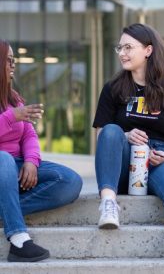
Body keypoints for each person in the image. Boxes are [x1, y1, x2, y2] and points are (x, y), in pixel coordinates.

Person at [93, 23, 164, 259]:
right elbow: (102, 137)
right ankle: (108, 205)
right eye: (119, 48)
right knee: (110, 130)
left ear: (148, 50)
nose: (122, 53)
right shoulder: (113, 89)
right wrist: (126, 135)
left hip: (161, 157)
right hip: (123, 160)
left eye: (128, 47)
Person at [0, 39, 83, 262]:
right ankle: (18, 239)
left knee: (69, 180)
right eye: (8, 60)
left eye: (13, 60)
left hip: (15, 168)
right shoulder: (13, 109)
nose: (13, 65)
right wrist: (10, 117)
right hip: (2, 165)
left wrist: (31, 161)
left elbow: (29, 135)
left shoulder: (14, 98)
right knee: (3, 159)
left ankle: (8, 209)